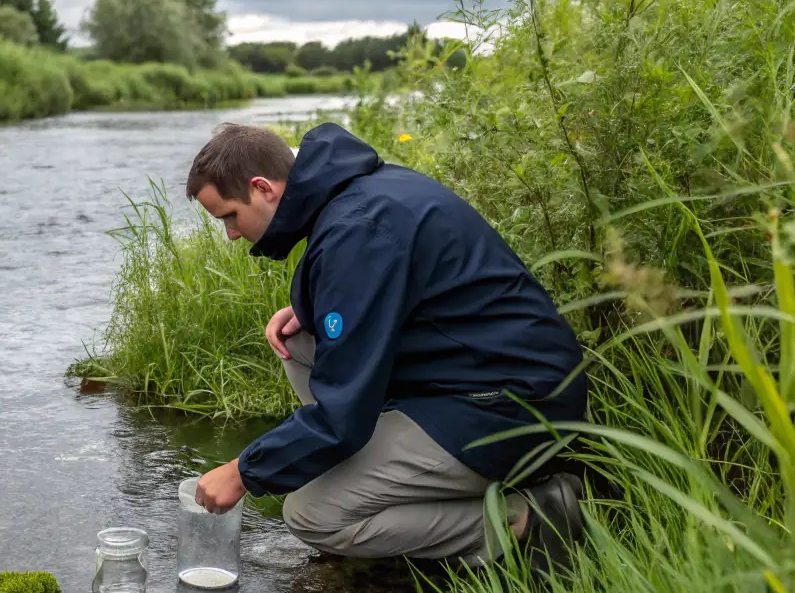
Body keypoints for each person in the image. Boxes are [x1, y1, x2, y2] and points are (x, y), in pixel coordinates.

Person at [187, 121, 588, 569]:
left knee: (312, 515)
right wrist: (317, 308)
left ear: (263, 188)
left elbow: (343, 412)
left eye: (228, 216)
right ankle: (380, 475)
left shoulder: (358, 228)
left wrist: (243, 472)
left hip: (514, 408)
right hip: (484, 373)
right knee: (299, 341)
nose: (231, 235)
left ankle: (529, 518)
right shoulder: (358, 191)